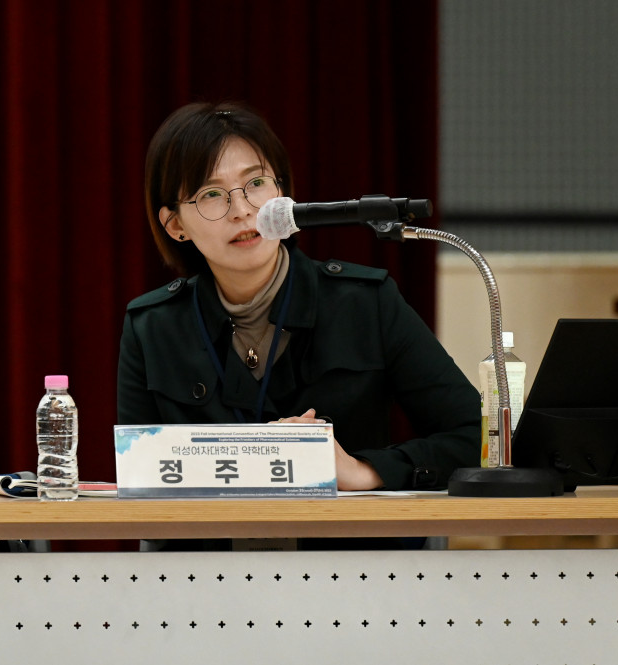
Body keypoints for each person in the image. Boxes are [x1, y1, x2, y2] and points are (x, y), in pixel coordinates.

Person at [117, 101, 480, 493]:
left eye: (256, 184)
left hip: (343, 533)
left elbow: (477, 438)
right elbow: (139, 477)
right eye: (212, 194)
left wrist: (362, 471)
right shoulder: (151, 328)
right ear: (175, 225)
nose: (242, 210)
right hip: (214, 534)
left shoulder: (366, 303)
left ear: (283, 194)